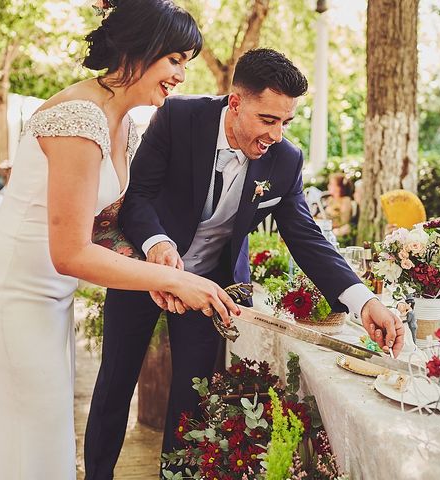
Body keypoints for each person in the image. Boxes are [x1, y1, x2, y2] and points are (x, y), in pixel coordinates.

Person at [0, 2, 239, 478]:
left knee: (36, 431)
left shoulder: (123, 123)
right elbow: (70, 251)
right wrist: (171, 280)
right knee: (31, 435)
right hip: (12, 293)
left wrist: (153, 260)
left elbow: (102, 226)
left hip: (48, 297)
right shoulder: (79, 117)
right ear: (141, 50)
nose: (182, 75)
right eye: (175, 59)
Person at [84, 48, 404, 478]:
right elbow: (138, 197)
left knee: (193, 397)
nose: (277, 134)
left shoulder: (285, 160)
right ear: (235, 103)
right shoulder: (178, 118)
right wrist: (157, 246)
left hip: (211, 290)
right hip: (144, 271)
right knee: (114, 386)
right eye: (268, 120)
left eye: (285, 122)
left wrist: (365, 302)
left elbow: (308, 239)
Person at [325, 172, 354, 239]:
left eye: (331, 184)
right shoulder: (330, 199)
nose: (328, 186)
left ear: (339, 187)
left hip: (338, 233)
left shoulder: (345, 200)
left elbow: (344, 222)